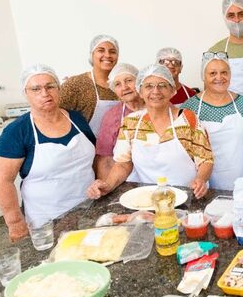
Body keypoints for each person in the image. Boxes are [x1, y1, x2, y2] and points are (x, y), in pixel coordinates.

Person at [0, 64, 96, 241]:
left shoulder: (76, 118)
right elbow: (2, 180)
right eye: (36, 89)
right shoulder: (17, 131)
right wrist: (16, 223)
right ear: (26, 93)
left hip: (89, 209)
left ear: (59, 89)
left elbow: (93, 156)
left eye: (50, 86)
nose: (45, 93)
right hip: (47, 220)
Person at [87, 64, 213, 201]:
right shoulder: (131, 123)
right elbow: (123, 164)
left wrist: (200, 179)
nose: (155, 91)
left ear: (173, 91)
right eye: (148, 86)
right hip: (148, 200)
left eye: (162, 85)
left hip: (188, 195)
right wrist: (108, 185)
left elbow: (205, 159)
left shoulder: (188, 119)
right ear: (140, 91)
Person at [180, 52, 243, 190]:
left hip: (241, 177)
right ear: (203, 77)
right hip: (204, 182)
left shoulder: (242, 102)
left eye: (224, 72)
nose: (219, 77)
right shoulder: (190, 107)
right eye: (212, 73)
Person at [59, 34, 120, 135]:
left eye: (112, 52)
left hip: (118, 147)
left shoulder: (123, 86)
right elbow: (54, 115)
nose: (108, 55)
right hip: (85, 147)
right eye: (101, 50)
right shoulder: (75, 84)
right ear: (92, 54)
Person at [94, 63, 145, 179]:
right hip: (126, 180)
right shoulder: (111, 117)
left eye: (128, 80)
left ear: (139, 82)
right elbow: (105, 159)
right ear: (114, 90)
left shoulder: (157, 107)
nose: (124, 87)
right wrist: (106, 190)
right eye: (118, 84)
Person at [208, 0, 243, 96]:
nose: (237, 20)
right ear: (224, 18)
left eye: (241, 14)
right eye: (231, 15)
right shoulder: (214, 51)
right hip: (227, 107)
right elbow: (209, 89)